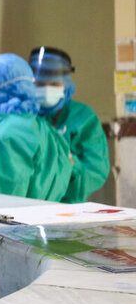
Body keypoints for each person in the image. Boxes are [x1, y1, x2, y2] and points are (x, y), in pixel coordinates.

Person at [0, 53, 72, 200]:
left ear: (3, 87)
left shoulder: (8, 134)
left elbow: (4, 201)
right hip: (42, 218)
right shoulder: (40, 127)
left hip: (15, 220)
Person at [28, 46, 109, 203]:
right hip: (27, 204)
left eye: (54, 84)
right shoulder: (24, 115)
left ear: (65, 85)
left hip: (69, 205)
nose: (46, 90)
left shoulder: (83, 117)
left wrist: (68, 165)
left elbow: (96, 171)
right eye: (40, 84)